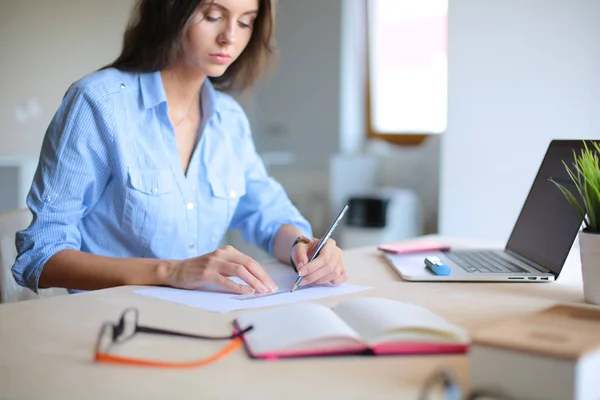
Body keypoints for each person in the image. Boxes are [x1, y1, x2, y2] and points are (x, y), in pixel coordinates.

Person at [12, 0, 347, 296]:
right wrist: (171, 272)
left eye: (245, 21)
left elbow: (267, 214)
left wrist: (304, 247)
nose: (230, 36)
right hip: (111, 327)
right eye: (214, 15)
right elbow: (41, 255)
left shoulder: (229, 119)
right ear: (173, 10)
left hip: (200, 323)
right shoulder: (98, 103)